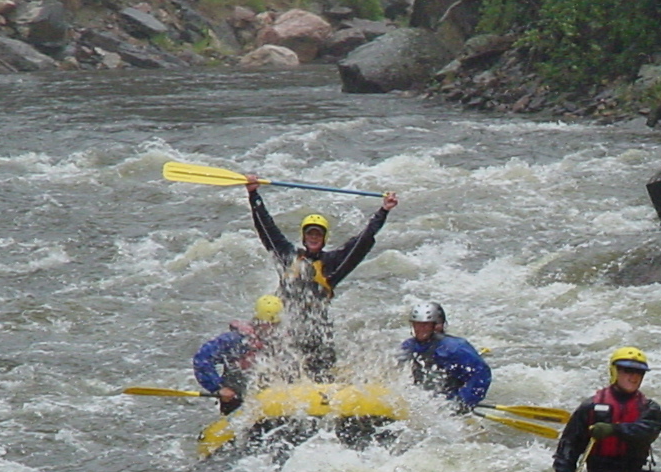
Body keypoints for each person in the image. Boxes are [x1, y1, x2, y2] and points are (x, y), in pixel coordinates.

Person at [244, 176, 398, 379]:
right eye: (310, 234)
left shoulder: (333, 264)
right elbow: (267, 229)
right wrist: (254, 195)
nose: (313, 238)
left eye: (318, 235)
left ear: (324, 239)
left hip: (317, 332)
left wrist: (383, 211)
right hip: (286, 327)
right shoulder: (288, 257)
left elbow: (362, 241)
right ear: (304, 237)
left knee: (321, 369)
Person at [193, 294, 283, 414]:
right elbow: (202, 358)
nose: (269, 328)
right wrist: (218, 388)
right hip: (236, 398)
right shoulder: (236, 340)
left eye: (273, 325)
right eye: (265, 324)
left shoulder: (281, 339)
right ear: (257, 320)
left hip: (268, 397)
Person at [397, 301, 490, 411]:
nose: (420, 329)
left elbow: (481, 375)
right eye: (417, 324)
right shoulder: (408, 346)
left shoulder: (454, 347)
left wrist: (463, 402)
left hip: (451, 400)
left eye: (425, 325)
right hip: (426, 400)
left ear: (435, 326)